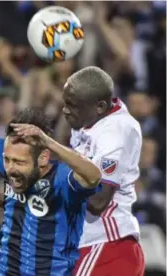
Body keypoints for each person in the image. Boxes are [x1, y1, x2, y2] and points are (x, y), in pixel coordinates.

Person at [0, 64, 102, 276]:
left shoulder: (63, 181)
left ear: (43, 157)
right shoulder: (12, 152)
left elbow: (94, 176)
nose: (11, 168)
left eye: (19, 163)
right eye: (7, 160)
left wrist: (48, 142)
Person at [60, 67, 145, 276]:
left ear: (99, 106)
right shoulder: (88, 122)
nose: (65, 110)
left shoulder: (116, 132)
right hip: (92, 246)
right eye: (65, 103)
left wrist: (56, 179)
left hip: (107, 246)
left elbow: (98, 200)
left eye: (73, 106)